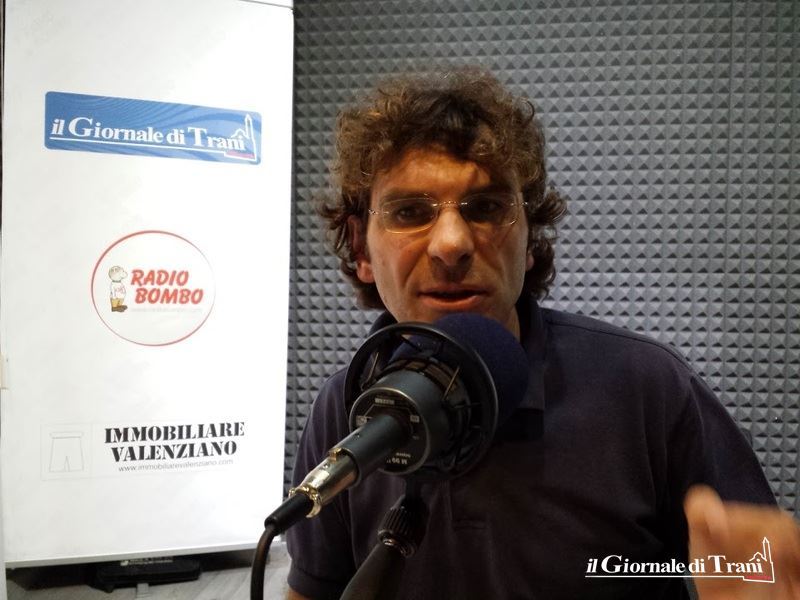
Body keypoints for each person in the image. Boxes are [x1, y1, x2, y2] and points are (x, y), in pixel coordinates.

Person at [285, 67, 800, 599]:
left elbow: (756, 572)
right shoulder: (343, 409)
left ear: (530, 239)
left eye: (486, 208)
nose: (452, 243)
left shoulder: (648, 389)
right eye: (410, 211)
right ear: (362, 249)